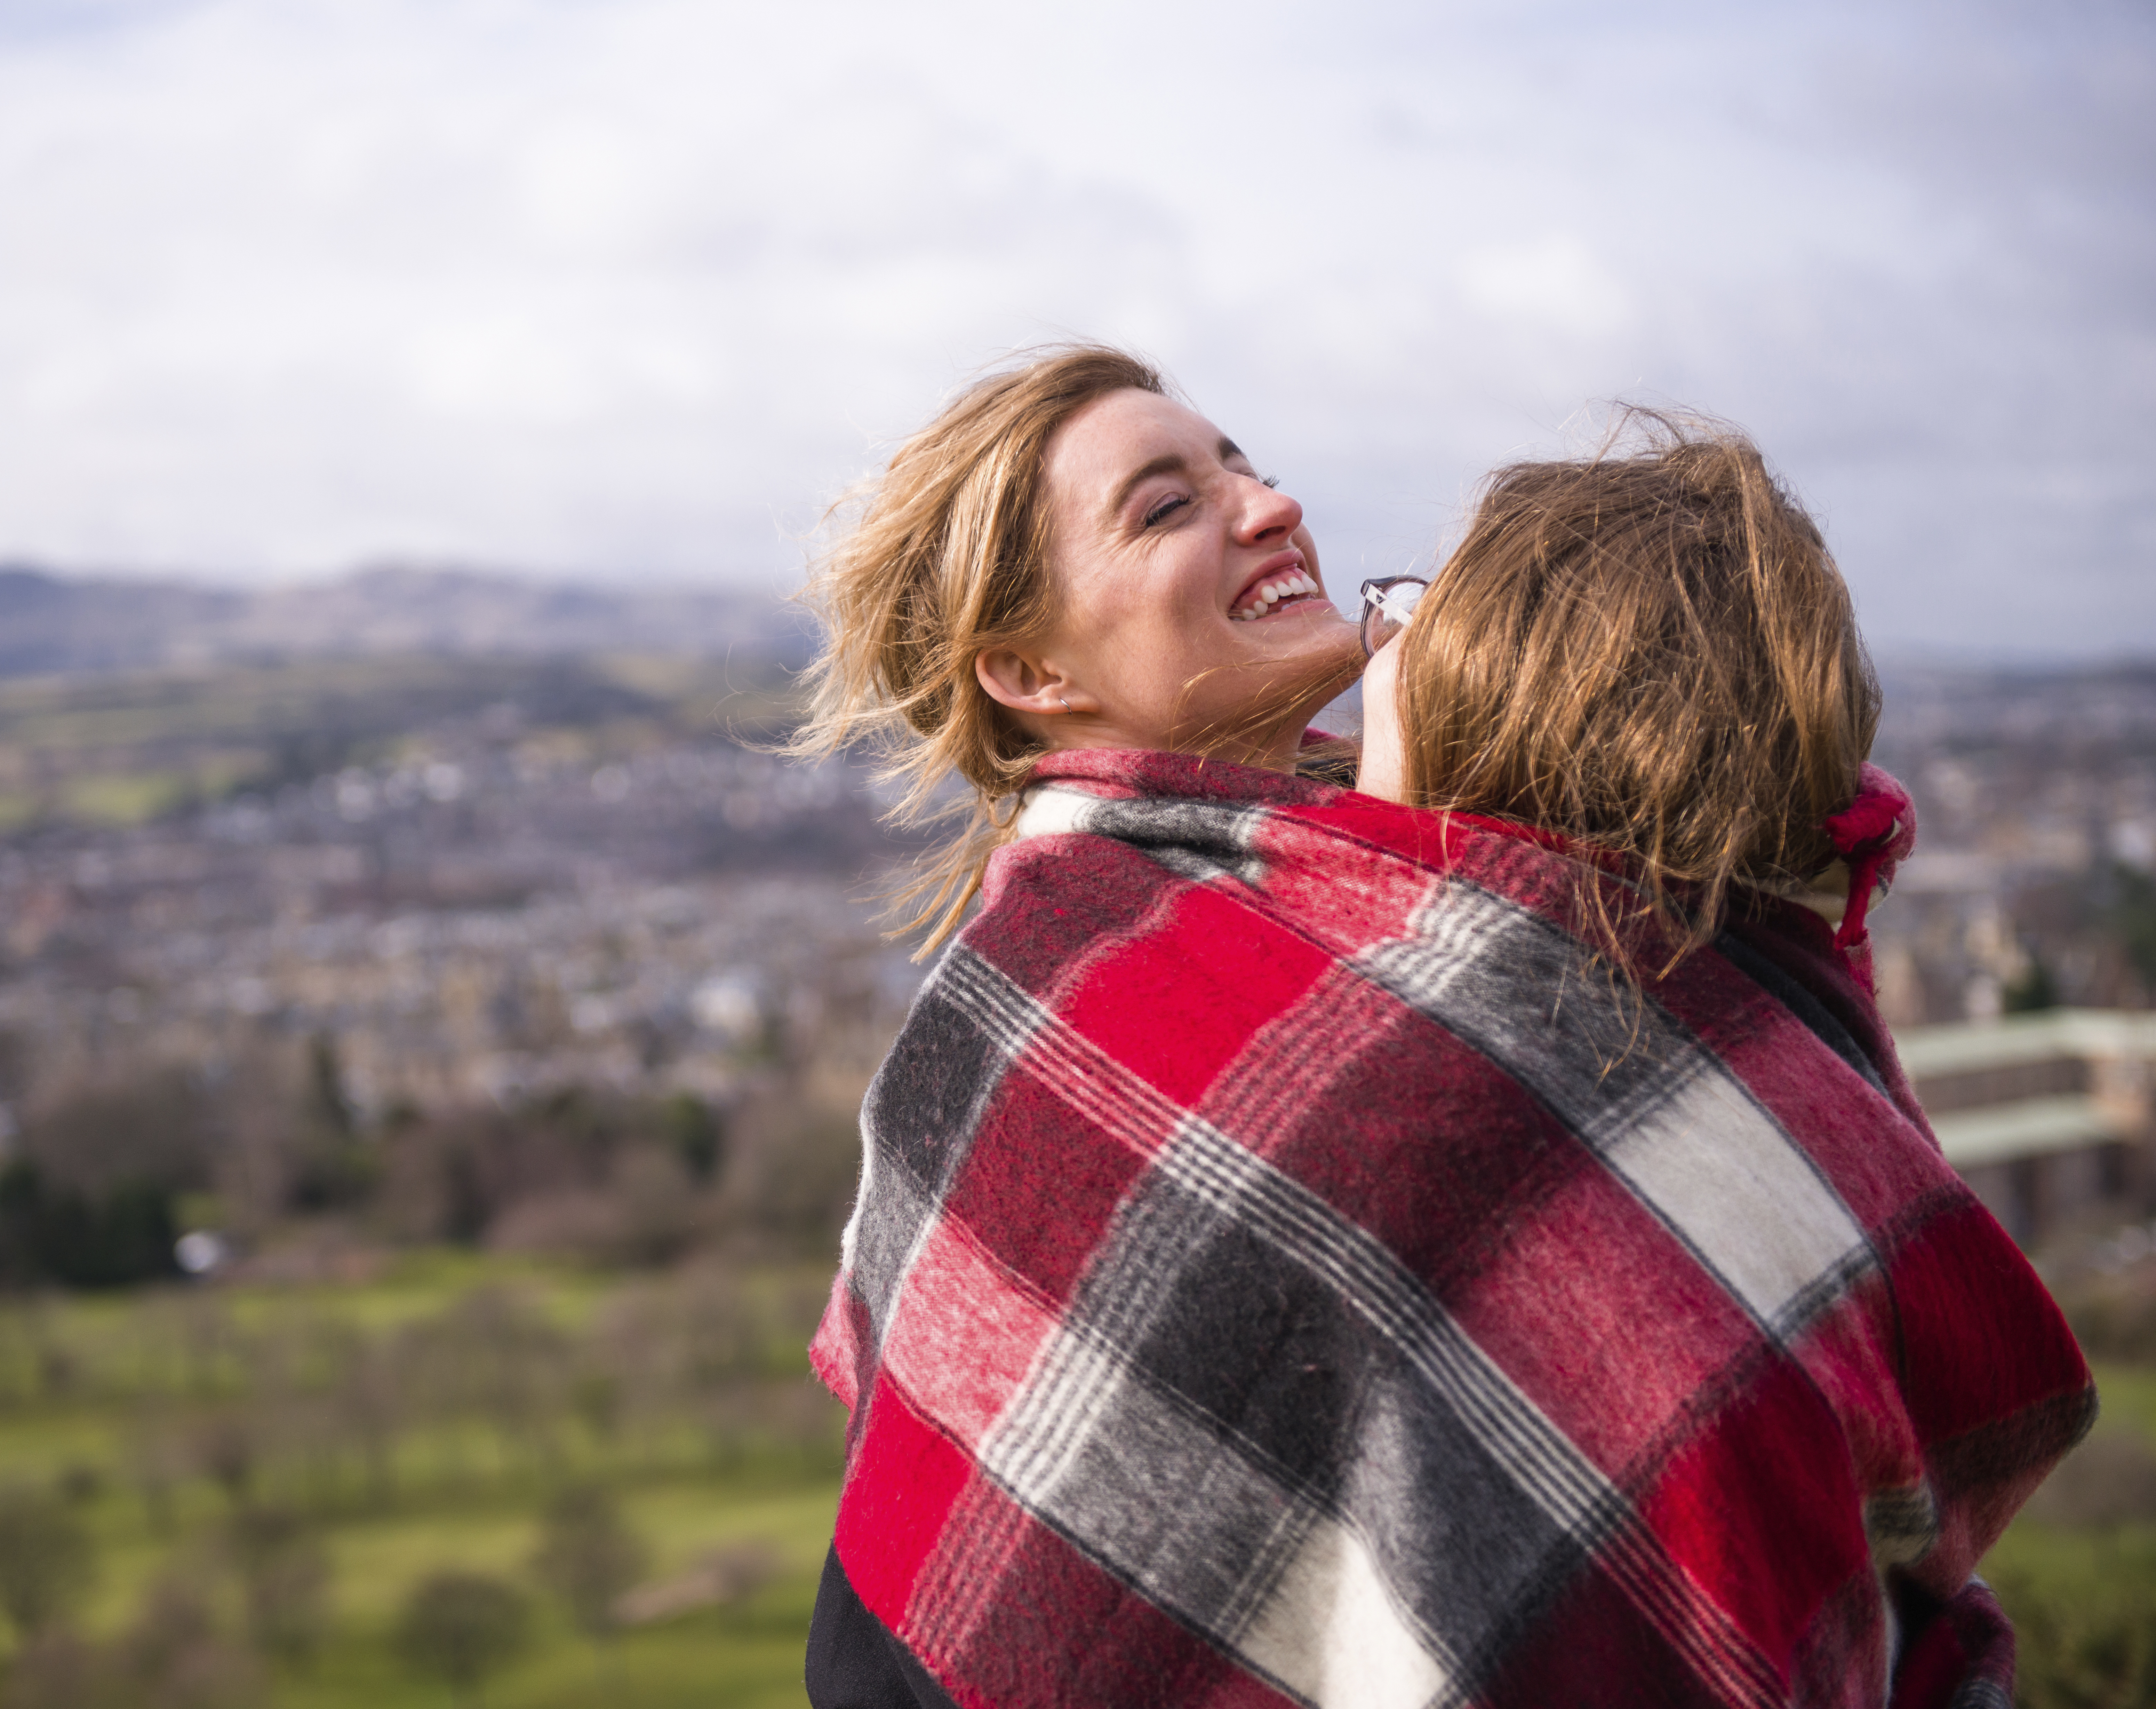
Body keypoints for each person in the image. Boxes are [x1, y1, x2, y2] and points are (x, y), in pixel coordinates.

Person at [794, 347, 2093, 1709]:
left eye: (1243, 461)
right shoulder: (1039, 993)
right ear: (1027, 669)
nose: (1267, 503)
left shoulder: (1458, 891)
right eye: (1166, 507)